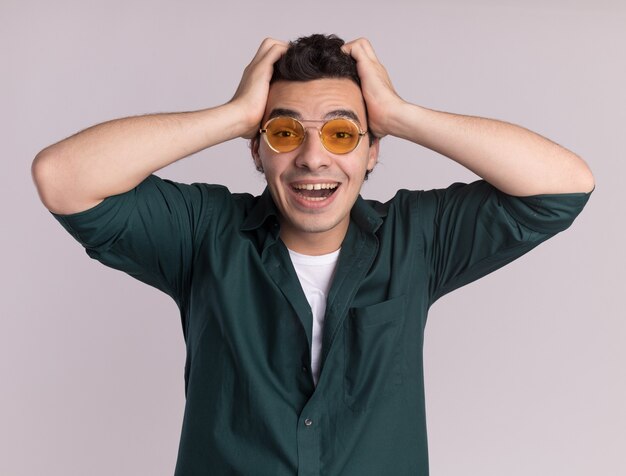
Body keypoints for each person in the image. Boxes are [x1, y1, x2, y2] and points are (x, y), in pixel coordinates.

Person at [32, 34, 594, 476]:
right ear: (257, 147)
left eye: (343, 136)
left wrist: (399, 114)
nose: (313, 158)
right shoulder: (205, 234)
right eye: (284, 133)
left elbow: (564, 184)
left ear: (373, 151)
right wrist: (232, 115)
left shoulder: (416, 238)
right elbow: (62, 177)